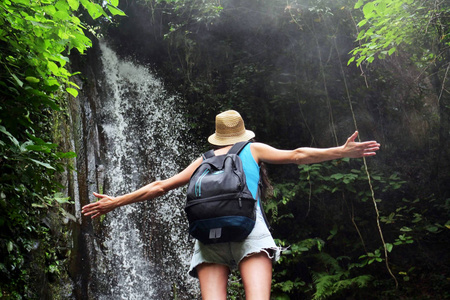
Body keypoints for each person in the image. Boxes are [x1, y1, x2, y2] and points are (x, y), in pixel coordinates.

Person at [82, 110, 380, 300]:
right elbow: (299, 155)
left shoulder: (203, 160)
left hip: (208, 237)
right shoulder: (252, 149)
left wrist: (115, 202)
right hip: (249, 231)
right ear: (242, 132)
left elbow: (159, 186)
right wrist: (340, 151)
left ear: (217, 135)